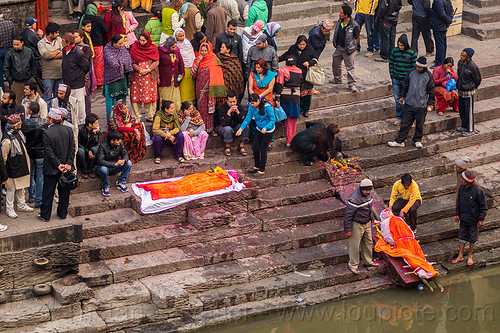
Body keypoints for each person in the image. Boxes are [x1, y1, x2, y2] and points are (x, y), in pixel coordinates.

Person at [388, 56, 434, 149]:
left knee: (420, 124)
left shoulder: (428, 76)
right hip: (409, 103)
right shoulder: (411, 72)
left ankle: (417, 140)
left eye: (419, 67)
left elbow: (431, 91)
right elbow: (405, 85)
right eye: (416, 66)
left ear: (423, 67)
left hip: (421, 105)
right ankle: (400, 141)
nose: (417, 68)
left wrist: (430, 103)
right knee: (405, 123)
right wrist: (402, 96)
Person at [452, 170, 488, 266]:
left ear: (468, 181)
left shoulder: (478, 191)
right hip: (463, 218)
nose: (461, 181)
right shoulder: (462, 188)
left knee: (472, 238)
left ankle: (470, 256)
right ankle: (460, 255)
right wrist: (457, 214)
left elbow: (483, 207)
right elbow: (459, 202)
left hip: (474, 220)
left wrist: (481, 219)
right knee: (462, 236)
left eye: (463, 179)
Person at [2, 114, 33, 218]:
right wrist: (4, 173)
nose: (21, 123)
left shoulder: (18, 133)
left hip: (21, 166)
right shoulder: (7, 140)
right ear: (15, 125)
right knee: (11, 190)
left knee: (21, 187)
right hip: (12, 169)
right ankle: (9, 208)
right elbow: (3, 157)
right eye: (19, 122)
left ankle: (21, 204)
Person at [344, 179, 379, 274]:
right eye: (365, 190)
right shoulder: (354, 199)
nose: (367, 192)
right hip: (357, 224)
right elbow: (348, 215)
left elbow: (370, 208)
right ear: (361, 189)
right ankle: (353, 265)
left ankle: (368, 261)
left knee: (368, 242)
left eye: (369, 190)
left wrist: (372, 219)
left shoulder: (369, 195)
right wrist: (347, 229)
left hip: (367, 222)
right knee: (354, 245)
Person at [190, 43, 227, 132]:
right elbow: (192, 74)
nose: (203, 52)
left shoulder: (214, 59)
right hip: (200, 90)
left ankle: (210, 129)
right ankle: (201, 129)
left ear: (209, 50)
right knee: (201, 108)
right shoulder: (197, 60)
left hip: (211, 91)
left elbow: (218, 75)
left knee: (210, 111)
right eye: (202, 50)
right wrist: (198, 62)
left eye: (205, 50)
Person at [279, 35, 318, 117]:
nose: (302, 46)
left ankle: (306, 109)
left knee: (307, 94)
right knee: (298, 94)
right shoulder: (293, 48)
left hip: (306, 75)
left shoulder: (310, 49)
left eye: (304, 44)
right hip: (296, 76)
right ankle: (300, 109)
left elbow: (315, 59)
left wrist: (309, 63)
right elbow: (287, 55)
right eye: (300, 44)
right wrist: (278, 59)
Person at [236, 93, 275, 175]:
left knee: (263, 149)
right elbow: (248, 118)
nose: (252, 105)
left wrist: (266, 127)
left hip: (268, 130)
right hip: (259, 128)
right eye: (251, 103)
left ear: (258, 101)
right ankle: (256, 165)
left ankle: (262, 169)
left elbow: (272, 119)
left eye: (254, 103)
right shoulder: (251, 107)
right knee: (255, 147)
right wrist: (241, 129)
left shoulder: (267, 107)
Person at [130, 31, 159, 122]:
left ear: (148, 40)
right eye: (140, 40)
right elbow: (132, 61)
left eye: (144, 41)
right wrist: (138, 69)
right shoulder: (134, 47)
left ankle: (150, 116)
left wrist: (148, 70)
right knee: (136, 96)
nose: (142, 42)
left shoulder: (153, 48)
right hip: (137, 76)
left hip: (149, 76)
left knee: (149, 96)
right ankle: (136, 116)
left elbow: (156, 61)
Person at [330, 5, 361, 93]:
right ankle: (337, 78)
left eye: (341, 13)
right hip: (339, 47)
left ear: (346, 15)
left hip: (348, 50)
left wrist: (353, 47)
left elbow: (357, 37)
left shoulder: (354, 25)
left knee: (350, 67)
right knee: (336, 63)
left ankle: (352, 84)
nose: (339, 14)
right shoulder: (340, 22)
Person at [103, 34, 133, 121]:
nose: (121, 45)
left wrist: (122, 63)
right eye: (119, 44)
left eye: (122, 43)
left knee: (122, 100)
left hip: (122, 78)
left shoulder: (122, 48)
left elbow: (128, 59)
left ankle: (122, 119)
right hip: (111, 79)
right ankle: (112, 121)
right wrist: (122, 63)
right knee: (111, 101)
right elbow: (113, 63)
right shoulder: (107, 50)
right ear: (114, 43)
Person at [389, 34, 417, 125]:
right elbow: (391, 63)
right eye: (399, 45)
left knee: (408, 100)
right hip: (396, 79)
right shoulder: (395, 51)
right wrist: (392, 75)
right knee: (397, 99)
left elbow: (413, 68)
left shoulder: (412, 53)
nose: (400, 47)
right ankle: (400, 117)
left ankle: (409, 119)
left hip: (406, 80)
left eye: (402, 45)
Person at [61, 33, 89, 125]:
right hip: (68, 83)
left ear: (68, 42)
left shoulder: (78, 53)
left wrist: (78, 75)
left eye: (63, 41)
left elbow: (86, 67)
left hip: (77, 84)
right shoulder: (64, 51)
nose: (61, 42)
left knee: (80, 105)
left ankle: (81, 123)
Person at [23, 101, 47, 208]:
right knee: (40, 177)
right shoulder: (44, 122)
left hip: (30, 152)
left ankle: (31, 196)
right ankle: (39, 199)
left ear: (31, 111)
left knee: (31, 175)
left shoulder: (26, 123)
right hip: (41, 153)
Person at [78, 4, 108, 87]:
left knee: (89, 63)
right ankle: (98, 82)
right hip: (97, 44)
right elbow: (105, 29)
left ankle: (90, 82)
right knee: (98, 64)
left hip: (86, 44)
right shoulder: (98, 19)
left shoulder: (83, 18)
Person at [96, 130, 132, 197]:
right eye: (118, 140)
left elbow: (125, 153)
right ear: (112, 141)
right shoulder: (103, 146)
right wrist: (114, 164)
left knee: (128, 163)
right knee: (103, 169)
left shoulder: (120, 144)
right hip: (104, 167)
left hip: (115, 167)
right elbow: (100, 161)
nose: (119, 141)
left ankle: (121, 182)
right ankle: (105, 186)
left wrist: (124, 160)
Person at [108, 100, 146, 164]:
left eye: (126, 108)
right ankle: (129, 156)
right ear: (120, 109)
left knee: (140, 125)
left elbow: (132, 119)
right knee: (128, 134)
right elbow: (119, 128)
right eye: (124, 109)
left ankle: (138, 151)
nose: (126, 110)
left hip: (127, 128)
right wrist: (133, 130)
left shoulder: (127, 112)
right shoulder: (114, 115)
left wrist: (131, 124)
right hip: (117, 132)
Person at [275, 56, 302, 145]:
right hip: (295, 97)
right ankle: (290, 140)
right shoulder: (299, 71)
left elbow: (279, 85)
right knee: (292, 120)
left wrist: (277, 98)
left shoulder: (282, 71)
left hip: (284, 97)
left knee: (282, 116)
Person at [4, 36, 36, 102]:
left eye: (17, 44)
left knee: (31, 101)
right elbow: (6, 68)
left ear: (22, 43)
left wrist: (33, 76)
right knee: (16, 101)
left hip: (28, 79)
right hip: (16, 81)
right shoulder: (10, 53)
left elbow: (33, 64)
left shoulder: (29, 51)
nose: (15, 46)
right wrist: (10, 80)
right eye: (14, 44)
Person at [457, 48, 481, 136]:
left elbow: (478, 79)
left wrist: (472, 87)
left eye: (463, 56)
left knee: (469, 111)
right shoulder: (460, 63)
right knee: (462, 109)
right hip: (460, 89)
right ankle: (464, 125)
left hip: (468, 91)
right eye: (461, 55)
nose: (461, 57)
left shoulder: (472, 66)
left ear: (468, 57)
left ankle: (470, 129)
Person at [38, 22, 64, 105]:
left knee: (59, 96)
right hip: (48, 75)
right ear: (50, 34)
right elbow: (46, 55)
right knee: (48, 96)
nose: (58, 34)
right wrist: (57, 51)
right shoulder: (41, 43)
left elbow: (64, 53)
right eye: (56, 33)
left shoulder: (59, 40)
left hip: (60, 74)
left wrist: (51, 54)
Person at [152, 100, 185, 164]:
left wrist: (170, 133)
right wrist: (166, 135)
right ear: (166, 110)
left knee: (180, 135)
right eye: (171, 108)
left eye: (173, 108)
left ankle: (178, 155)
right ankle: (158, 156)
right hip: (162, 135)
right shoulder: (159, 115)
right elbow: (155, 129)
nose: (173, 110)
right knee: (157, 138)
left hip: (170, 134)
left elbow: (177, 128)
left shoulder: (174, 115)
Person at [216, 91, 248, 156]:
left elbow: (243, 120)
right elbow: (223, 124)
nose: (232, 104)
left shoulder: (239, 106)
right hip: (223, 127)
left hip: (235, 127)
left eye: (234, 101)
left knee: (245, 126)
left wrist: (238, 113)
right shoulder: (222, 108)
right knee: (228, 129)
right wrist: (228, 113)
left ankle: (241, 146)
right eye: (230, 102)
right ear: (226, 101)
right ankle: (227, 147)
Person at [159, 37, 184, 112]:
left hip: (175, 79)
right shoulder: (161, 52)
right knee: (165, 97)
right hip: (165, 79)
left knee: (176, 97)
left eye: (175, 47)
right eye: (172, 47)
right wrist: (157, 77)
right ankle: (165, 113)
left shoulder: (176, 51)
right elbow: (157, 65)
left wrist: (182, 73)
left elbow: (181, 63)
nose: (174, 48)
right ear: (168, 46)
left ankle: (175, 113)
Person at [74, 29, 96, 114]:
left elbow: (84, 60)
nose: (74, 39)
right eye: (74, 37)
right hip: (75, 73)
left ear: (82, 38)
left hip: (85, 73)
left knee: (85, 95)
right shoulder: (73, 47)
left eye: (76, 37)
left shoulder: (86, 48)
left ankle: (87, 113)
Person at [429, 0, 453, 68]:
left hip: (438, 25)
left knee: (440, 45)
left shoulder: (438, 2)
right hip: (443, 25)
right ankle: (440, 59)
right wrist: (449, 19)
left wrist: (448, 20)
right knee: (442, 44)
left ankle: (439, 62)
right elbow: (451, 10)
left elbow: (441, 14)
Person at [174, 28, 196, 103]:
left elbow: (191, 55)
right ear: (176, 37)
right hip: (181, 70)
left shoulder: (187, 43)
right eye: (180, 36)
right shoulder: (175, 46)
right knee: (183, 89)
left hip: (190, 68)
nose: (182, 38)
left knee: (190, 89)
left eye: (183, 35)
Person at [21, 17, 43, 89]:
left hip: (28, 58)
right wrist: (40, 36)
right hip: (36, 58)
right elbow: (40, 45)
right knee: (40, 76)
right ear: (33, 25)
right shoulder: (33, 35)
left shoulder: (24, 33)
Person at [77, 113, 100, 179]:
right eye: (95, 124)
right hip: (82, 148)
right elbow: (78, 143)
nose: (97, 125)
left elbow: (95, 143)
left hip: (90, 148)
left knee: (95, 150)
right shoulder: (80, 129)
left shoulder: (95, 130)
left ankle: (90, 169)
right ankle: (84, 170)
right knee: (81, 152)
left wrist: (95, 134)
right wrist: (87, 151)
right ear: (90, 124)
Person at [0, 9, 15, 92]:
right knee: (9, 71)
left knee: (0, 73)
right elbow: (14, 37)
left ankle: (2, 92)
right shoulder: (10, 24)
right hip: (9, 50)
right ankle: (11, 89)